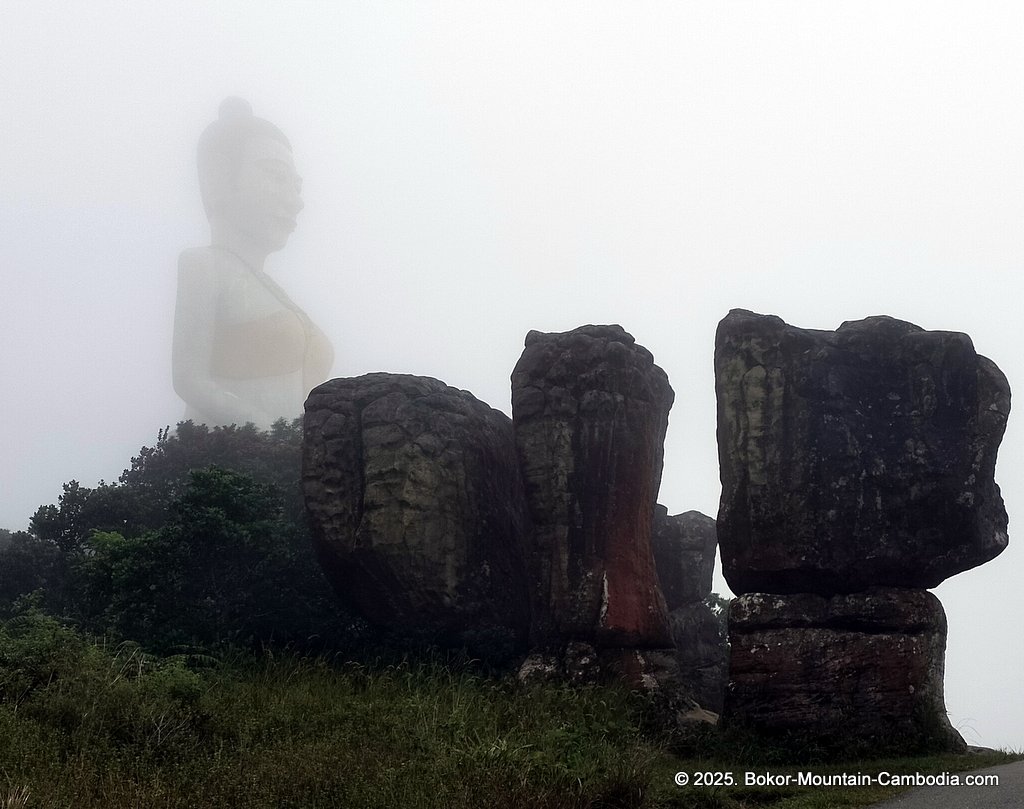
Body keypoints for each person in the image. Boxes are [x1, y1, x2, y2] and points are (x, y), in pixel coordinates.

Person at [172, 98, 333, 429]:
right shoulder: (205, 266)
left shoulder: (275, 292)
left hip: (299, 469)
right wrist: (276, 438)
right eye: (276, 176)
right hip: (224, 463)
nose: (296, 201)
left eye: (297, 186)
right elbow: (189, 380)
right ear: (218, 178)